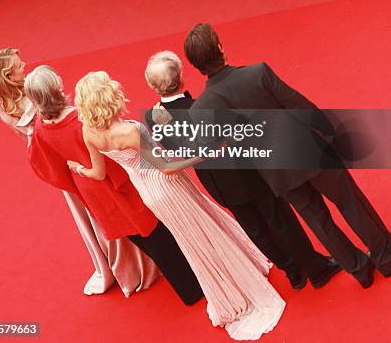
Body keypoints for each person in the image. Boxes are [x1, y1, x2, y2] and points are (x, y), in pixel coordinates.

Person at [70, 70, 286, 341]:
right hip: (167, 187)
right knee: (204, 229)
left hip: (148, 192)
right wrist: (203, 154)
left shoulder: (89, 132)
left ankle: (223, 287)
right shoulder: (130, 130)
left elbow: (98, 173)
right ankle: (236, 285)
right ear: (109, 96)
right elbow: (168, 167)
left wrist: (79, 169)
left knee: (191, 240)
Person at [184, 22, 391, 289]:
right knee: (351, 203)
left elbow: (217, 149)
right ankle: (386, 257)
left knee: (319, 221)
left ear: (195, 65)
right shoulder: (257, 73)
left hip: (275, 171)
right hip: (309, 151)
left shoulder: (201, 108)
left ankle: (359, 269)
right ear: (220, 48)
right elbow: (299, 104)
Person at [144, 50, 341, 291]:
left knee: (255, 229)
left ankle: (293, 272)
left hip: (216, 184)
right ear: (181, 78)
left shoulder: (154, 116)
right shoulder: (201, 108)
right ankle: (316, 269)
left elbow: (181, 146)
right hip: (243, 173)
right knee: (280, 219)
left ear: (154, 87)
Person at [0, 49, 161, 298]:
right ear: (7, 75)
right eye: (17, 64)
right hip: (62, 147)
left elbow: (23, 133)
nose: (24, 64)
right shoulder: (4, 96)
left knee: (96, 204)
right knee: (102, 199)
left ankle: (129, 260)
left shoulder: (8, 93)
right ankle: (131, 260)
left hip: (52, 146)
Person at [24, 64, 204, 305]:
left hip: (91, 190)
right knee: (158, 236)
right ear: (57, 87)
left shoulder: (41, 131)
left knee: (142, 238)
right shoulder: (83, 121)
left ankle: (188, 284)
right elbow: (114, 147)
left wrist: (76, 175)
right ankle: (193, 288)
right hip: (119, 184)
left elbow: (45, 166)